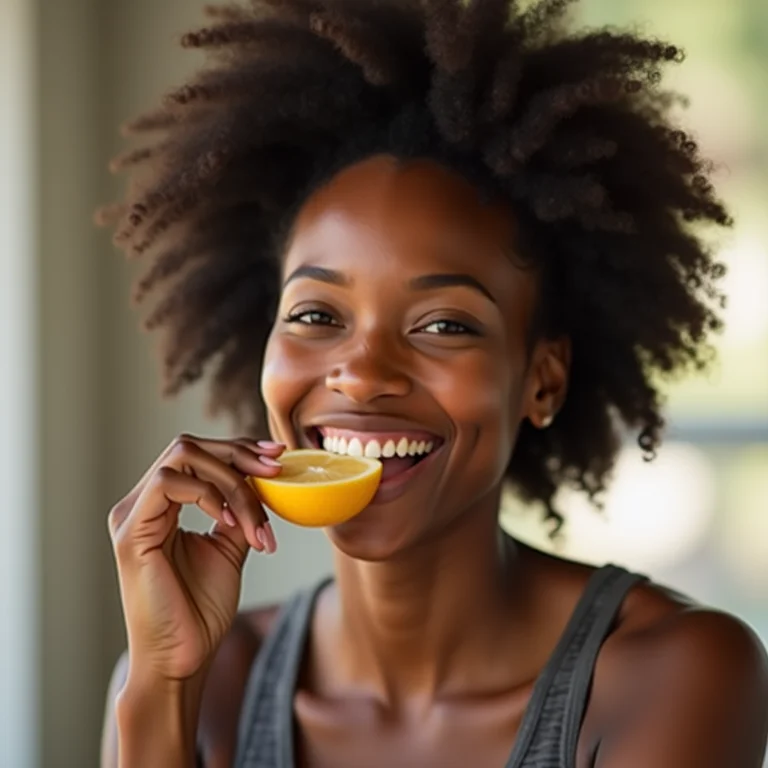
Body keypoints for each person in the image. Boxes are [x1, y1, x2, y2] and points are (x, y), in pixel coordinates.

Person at [97, 1, 768, 766]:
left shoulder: (676, 674)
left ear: (542, 381)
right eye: (316, 314)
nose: (362, 374)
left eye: (444, 324)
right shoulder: (205, 684)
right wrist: (163, 687)